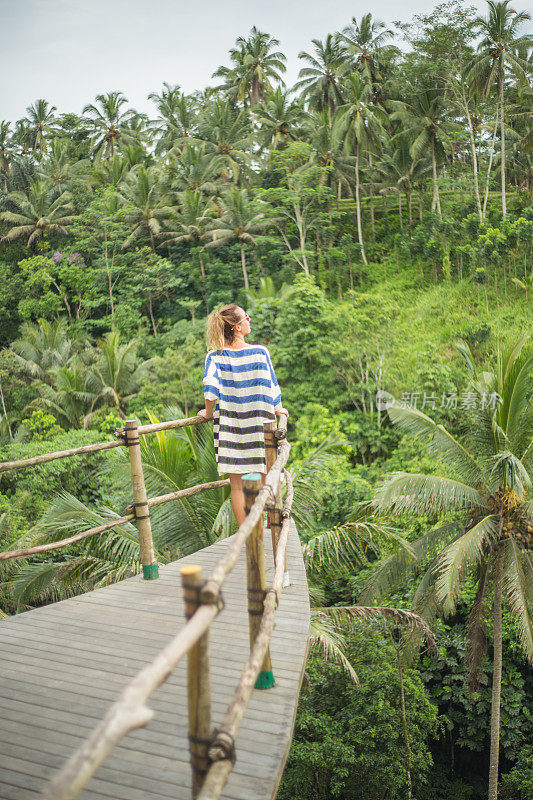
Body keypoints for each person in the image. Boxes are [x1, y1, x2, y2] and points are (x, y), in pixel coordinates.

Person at [197, 304, 289, 525]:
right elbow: (272, 385)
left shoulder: (215, 357)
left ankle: (248, 537)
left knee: (237, 486)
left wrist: (208, 413)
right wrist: (278, 408)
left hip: (231, 429)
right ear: (237, 327)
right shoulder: (260, 352)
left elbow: (210, 391)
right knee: (266, 479)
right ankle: (269, 527)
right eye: (246, 317)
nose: (250, 320)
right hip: (261, 426)